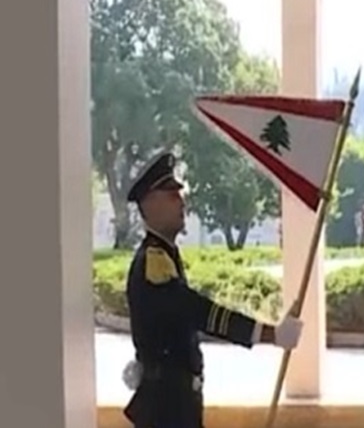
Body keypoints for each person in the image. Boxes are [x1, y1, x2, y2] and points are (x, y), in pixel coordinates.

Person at [122, 152, 303, 428]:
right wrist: (270, 334)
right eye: (172, 195)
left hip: (173, 403)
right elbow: (198, 312)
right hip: (166, 408)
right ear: (150, 203)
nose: (182, 201)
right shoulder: (153, 262)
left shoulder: (165, 255)